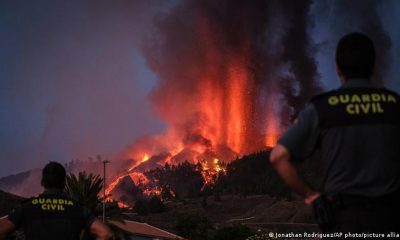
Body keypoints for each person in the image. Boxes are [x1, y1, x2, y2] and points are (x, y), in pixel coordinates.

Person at [270, 32, 400, 234]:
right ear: (373, 67)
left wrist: (311, 196)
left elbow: (278, 156)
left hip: (344, 220)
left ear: (338, 69)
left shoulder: (323, 108)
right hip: (391, 219)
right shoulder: (394, 104)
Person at [0, 162, 114, 240]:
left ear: (42, 182)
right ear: (64, 183)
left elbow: (2, 230)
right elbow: (106, 234)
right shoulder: (77, 209)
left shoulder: (27, 207)